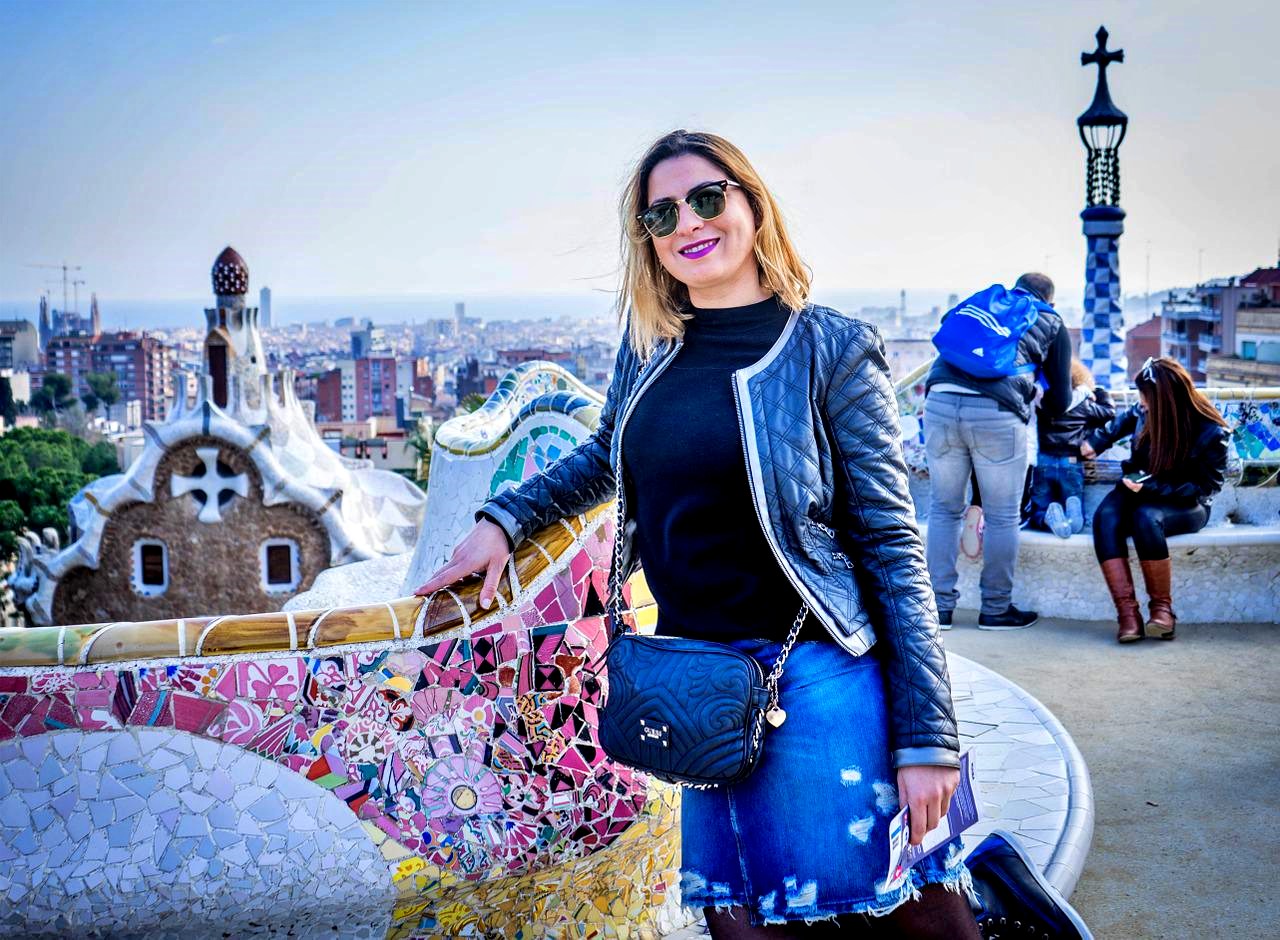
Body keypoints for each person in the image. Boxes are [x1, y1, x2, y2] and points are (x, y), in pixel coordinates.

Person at [415, 129, 981, 937]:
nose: (689, 222)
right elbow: (602, 457)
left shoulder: (830, 348)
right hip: (699, 693)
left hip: (816, 677)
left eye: (709, 198)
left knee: (909, 920)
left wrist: (929, 734)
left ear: (752, 205)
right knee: (741, 925)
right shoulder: (650, 347)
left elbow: (893, 545)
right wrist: (505, 519)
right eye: (662, 213)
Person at [923, 274, 1072, 629]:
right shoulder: (1049, 319)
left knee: (944, 509)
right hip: (997, 413)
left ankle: (937, 609)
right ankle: (995, 609)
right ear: (1049, 299)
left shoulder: (984, 301)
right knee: (1002, 515)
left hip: (939, 400)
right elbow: (1062, 401)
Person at [1082, 356, 1229, 642]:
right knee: (1106, 517)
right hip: (1141, 487)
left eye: (1145, 397)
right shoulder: (1145, 411)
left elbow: (1207, 488)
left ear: (1167, 400)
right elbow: (1123, 421)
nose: (1141, 403)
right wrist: (1093, 443)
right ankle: (1128, 616)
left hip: (1186, 504)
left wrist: (1153, 489)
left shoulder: (1211, 431)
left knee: (1146, 518)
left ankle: (1162, 611)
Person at [1029, 359, 1115, 538]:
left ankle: (1047, 515)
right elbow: (1109, 412)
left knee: (1039, 506)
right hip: (1072, 460)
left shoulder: (1041, 402)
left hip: (1043, 458)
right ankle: (1075, 514)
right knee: (1073, 496)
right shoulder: (1084, 404)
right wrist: (1097, 390)